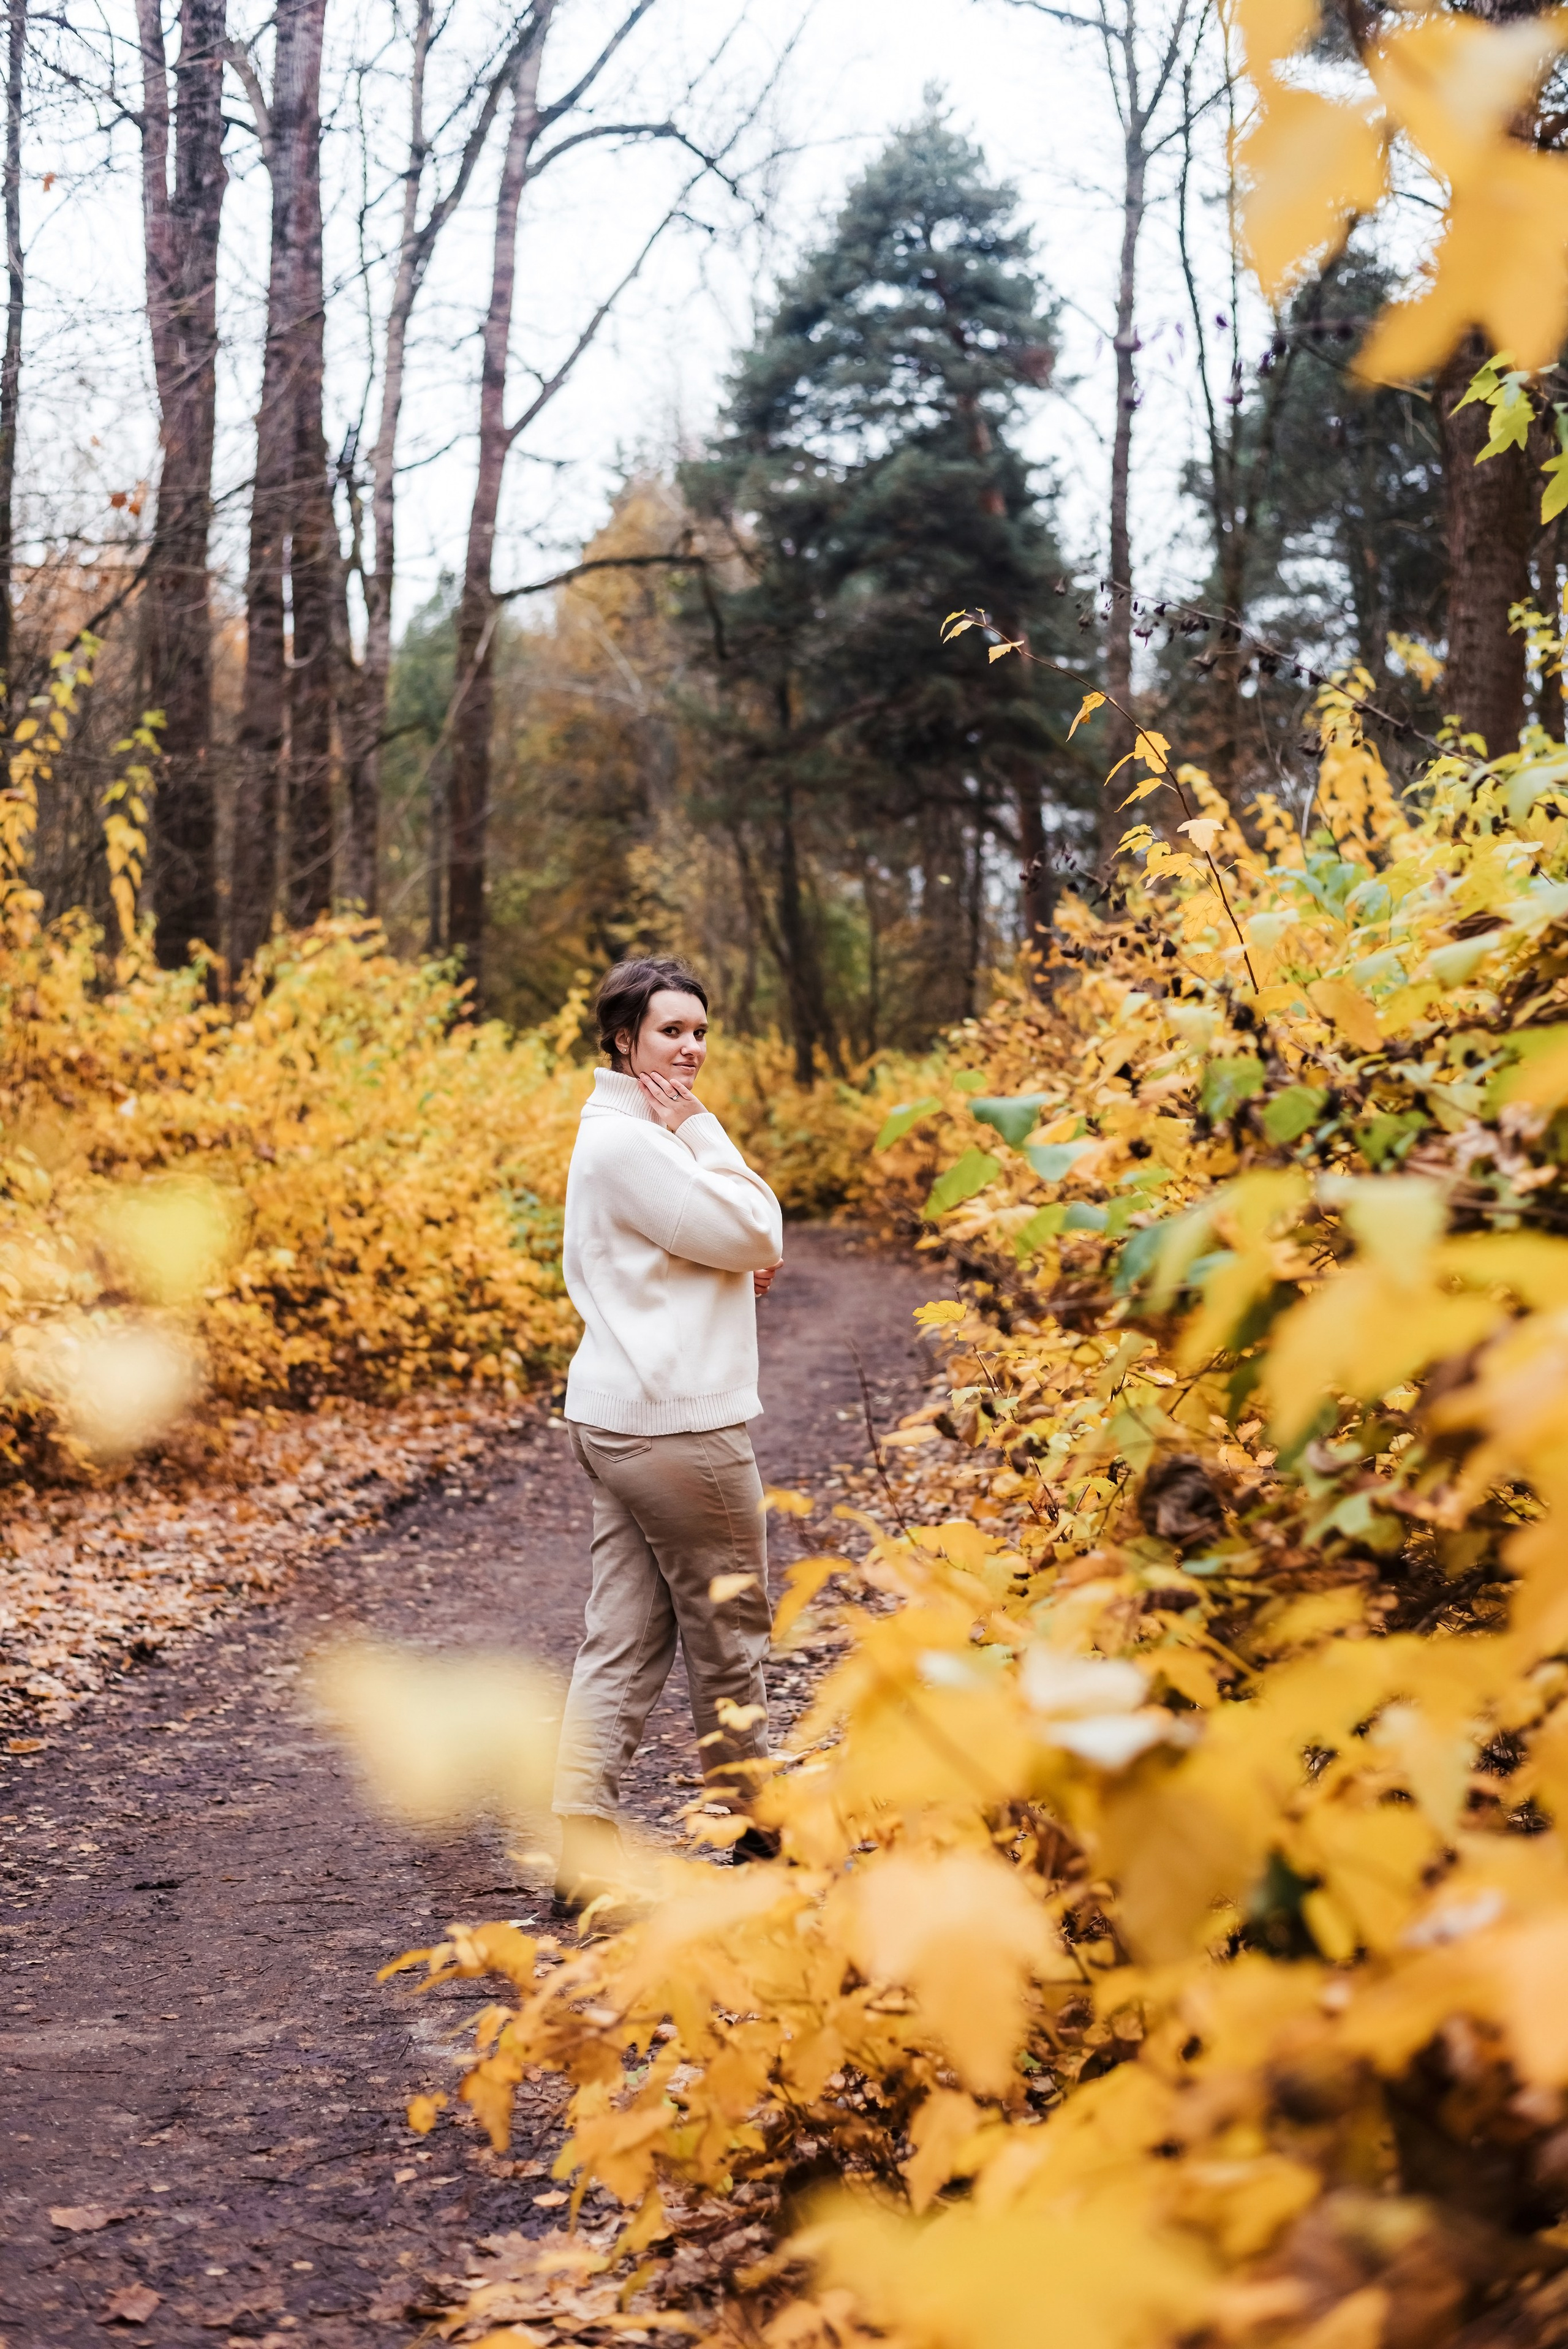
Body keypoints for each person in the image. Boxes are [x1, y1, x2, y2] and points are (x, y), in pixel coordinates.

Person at [551, 956, 784, 1910]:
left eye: (698, 1033)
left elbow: (714, 1247)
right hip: (679, 1429)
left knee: (624, 1636)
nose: (689, 1050)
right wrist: (706, 1132)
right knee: (729, 1634)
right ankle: (763, 1835)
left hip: (625, 1420)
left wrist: (731, 1258)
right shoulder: (634, 1141)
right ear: (622, 1039)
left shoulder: (626, 1137)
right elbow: (758, 1229)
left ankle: (581, 1845)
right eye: (668, 1033)